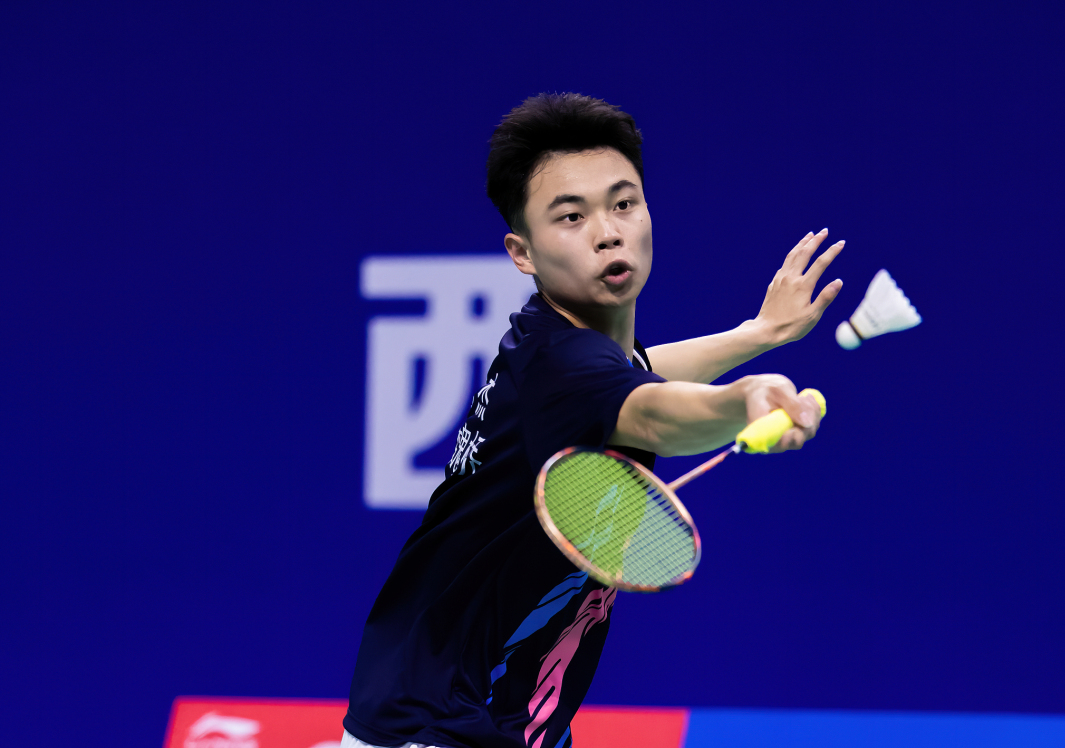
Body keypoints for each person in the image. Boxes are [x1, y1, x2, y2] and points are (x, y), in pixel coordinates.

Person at [343, 93, 843, 748]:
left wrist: (758, 334)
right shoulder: (562, 366)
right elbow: (654, 415)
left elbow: (639, 372)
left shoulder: (556, 345)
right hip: (439, 727)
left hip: (469, 713)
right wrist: (741, 398)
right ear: (522, 252)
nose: (608, 231)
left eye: (624, 204)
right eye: (571, 216)